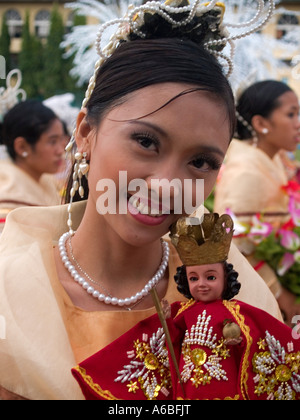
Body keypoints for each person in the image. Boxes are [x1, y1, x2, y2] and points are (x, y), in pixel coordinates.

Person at [0, 0, 279, 400]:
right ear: (85, 133)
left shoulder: (237, 295)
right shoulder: (11, 291)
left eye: (200, 161)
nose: (167, 185)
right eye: (145, 142)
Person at [72, 215, 300, 400]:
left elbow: (262, 335)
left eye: (210, 277)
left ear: (225, 278)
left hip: (228, 386)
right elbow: (169, 340)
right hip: (188, 386)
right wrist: (167, 322)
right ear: (185, 280)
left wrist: (238, 341)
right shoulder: (182, 312)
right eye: (194, 278)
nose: (201, 284)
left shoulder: (237, 313)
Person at [214, 80, 300, 325]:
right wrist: (280, 294)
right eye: (291, 114)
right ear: (261, 123)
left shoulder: (271, 160)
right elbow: (235, 246)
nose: (298, 123)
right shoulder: (246, 172)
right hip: (258, 296)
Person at [0, 100, 65, 232]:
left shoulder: (46, 180)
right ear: (22, 147)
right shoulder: (10, 198)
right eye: (52, 142)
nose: (60, 150)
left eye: (60, 140)